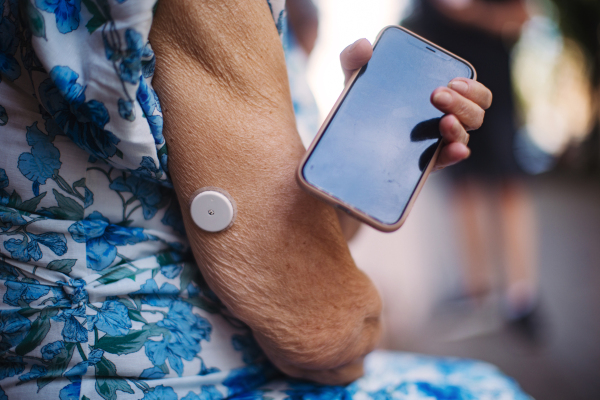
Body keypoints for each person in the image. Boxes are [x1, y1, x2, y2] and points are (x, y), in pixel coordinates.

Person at [0, 0, 529, 398]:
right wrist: (354, 314)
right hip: (155, 379)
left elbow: (316, 240)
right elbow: (322, 330)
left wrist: (352, 158)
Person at [404, 0, 540, 334]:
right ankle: (476, 290)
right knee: (461, 189)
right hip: (444, 93)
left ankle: (521, 297)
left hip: (494, 89)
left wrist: (468, 14)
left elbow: (524, 17)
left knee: (507, 186)